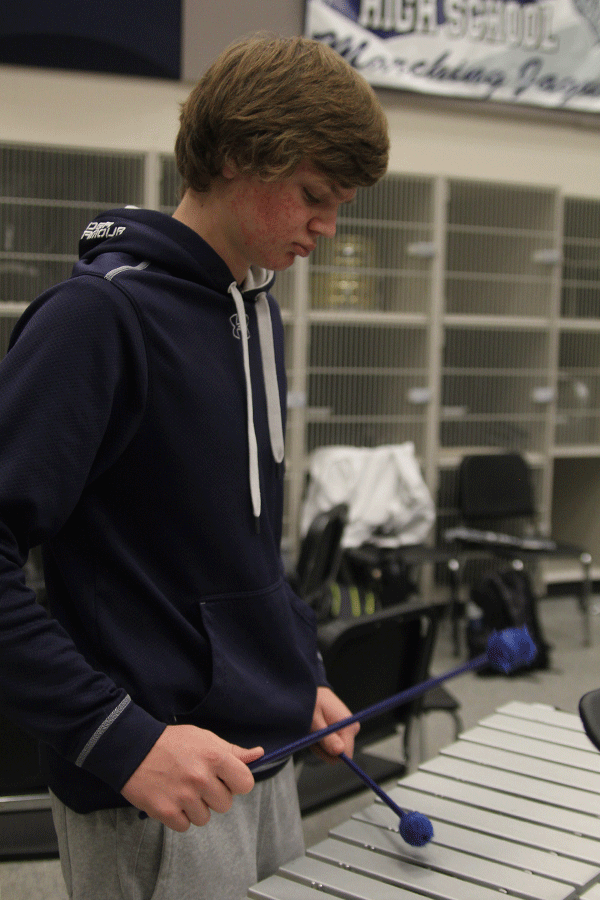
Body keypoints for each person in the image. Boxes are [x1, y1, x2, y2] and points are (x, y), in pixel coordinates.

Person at [0, 33, 389, 899]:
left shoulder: (258, 314)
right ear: (233, 157)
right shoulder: (96, 320)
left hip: (267, 748)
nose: (329, 227)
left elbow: (239, 545)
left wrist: (297, 672)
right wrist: (120, 739)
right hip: (157, 780)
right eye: (315, 195)